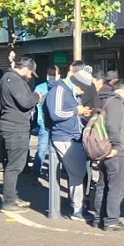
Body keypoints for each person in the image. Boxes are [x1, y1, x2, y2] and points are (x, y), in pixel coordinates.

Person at [45, 66, 93, 221]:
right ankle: (77, 209)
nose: (82, 92)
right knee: (77, 174)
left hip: (73, 136)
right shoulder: (59, 90)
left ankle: (77, 206)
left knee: (77, 173)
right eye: (82, 88)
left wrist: (82, 114)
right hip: (64, 137)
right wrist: (77, 111)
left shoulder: (69, 91)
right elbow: (55, 113)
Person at [0, 57, 41, 212]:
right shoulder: (15, 80)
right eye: (30, 73)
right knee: (15, 166)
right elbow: (25, 102)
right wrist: (36, 96)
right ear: (26, 68)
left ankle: (12, 196)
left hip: (11, 125)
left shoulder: (7, 78)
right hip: (15, 127)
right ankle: (9, 201)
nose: (30, 77)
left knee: (14, 164)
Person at [93, 79, 124, 232]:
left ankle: (99, 217)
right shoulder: (116, 102)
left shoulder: (104, 100)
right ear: (122, 90)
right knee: (116, 186)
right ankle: (111, 220)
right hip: (117, 150)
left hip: (105, 148)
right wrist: (117, 146)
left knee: (103, 184)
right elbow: (113, 125)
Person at [33, 66, 59, 179]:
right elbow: (37, 107)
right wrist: (40, 121)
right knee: (43, 148)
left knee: (56, 149)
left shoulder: (60, 87)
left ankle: (55, 172)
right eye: (50, 74)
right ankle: (36, 172)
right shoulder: (40, 88)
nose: (51, 76)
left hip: (56, 123)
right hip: (44, 122)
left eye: (53, 74)